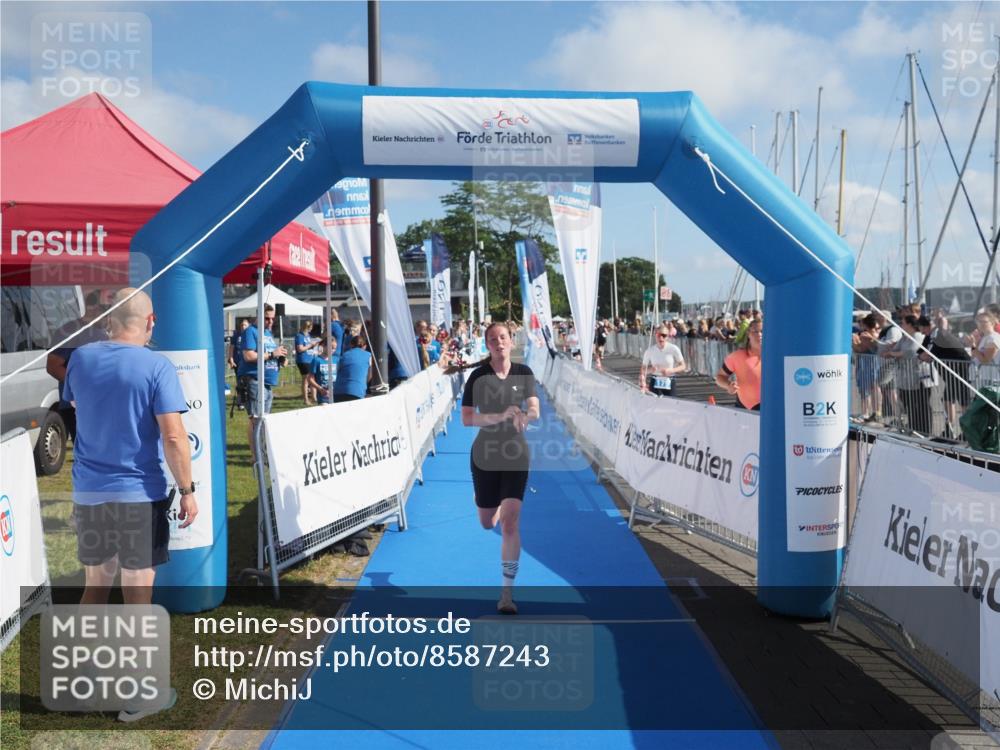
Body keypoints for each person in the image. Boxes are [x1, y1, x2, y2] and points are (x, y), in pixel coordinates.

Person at [454, 322, 539, 615]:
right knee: (488, 522)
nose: (499, 342)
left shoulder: (523, 373)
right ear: (487, 344)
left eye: (503, 337)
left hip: (516, 453)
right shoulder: (478, 377)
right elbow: (466, 419)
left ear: (511, 341)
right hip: (485, 455)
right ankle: (490, 504)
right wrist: (499, 415)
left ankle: (506, 593)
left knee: (511, 524)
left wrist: (526, 416)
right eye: (493, 339)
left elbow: (535, 408)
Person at [46, 290, 109, 442]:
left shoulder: (103, 333)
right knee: (87, 454)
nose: (111, 314)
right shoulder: (69, 331)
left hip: (101, 404)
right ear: (93, 307)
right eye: (107, 309)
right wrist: (83, 388)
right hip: (77, 407)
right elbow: (53, 366)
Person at [237, 304, 288, 456]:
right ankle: (256, 456)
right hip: (254, 379)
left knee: (263, 419)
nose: (270, 322)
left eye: (272, 319)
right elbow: (249, 356)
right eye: (267, 318)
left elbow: (269, 354)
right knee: (256, 419)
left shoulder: (267, 332)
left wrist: (280, 359)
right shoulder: (251, 331)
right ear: (258, 316)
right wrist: (272, 354)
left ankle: (262, 453)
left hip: (266, 382)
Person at [715, 318, 762, 410]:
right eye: (755, 331)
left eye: (762, 331)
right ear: (748, 334)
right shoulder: (737, 356)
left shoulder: (776, 356)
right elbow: (720, 377)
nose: (760, 335)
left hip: (774, 406)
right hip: (747, 408)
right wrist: (728, 385)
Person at [851, 314, 882, 422]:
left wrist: (853, 342)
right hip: (872, 363)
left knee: (866, 389)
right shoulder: (877, 334)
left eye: (861, 322)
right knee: (873, 388)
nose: (859, 324)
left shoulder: (866, 335)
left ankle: (866, 412)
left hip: (867, 364)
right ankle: (876, 412)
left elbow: (860, 349)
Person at [640, 325, 687, 396]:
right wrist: (650, 370)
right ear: (655, 335)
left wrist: (671, 370)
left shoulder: (673, 349)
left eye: (664, 335)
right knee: (654, 405)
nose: (661, 338)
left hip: (669, 380)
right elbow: (643, 370)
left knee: (670, 404)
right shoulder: (649, 351)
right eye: (658, 335)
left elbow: (683, 366)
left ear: (667, 337)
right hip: (655, 380)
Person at [333, 335, 373, 402]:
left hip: (338, 392)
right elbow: (370, 375)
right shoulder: (369, 355)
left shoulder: (344, 355)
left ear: (351, 345)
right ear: (365, 346)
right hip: (357, 392)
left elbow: (337, 371)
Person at [295, 321, 320, 405]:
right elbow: (300, 349)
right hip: (303, 360)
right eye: (310, 327)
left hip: (310, 359)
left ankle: (314, 398)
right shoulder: (299, 336)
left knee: (312, 379)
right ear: (306, 327)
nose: (311, 329)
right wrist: (310, 345)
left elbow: (308, 347)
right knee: (306, 380)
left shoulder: (308, 336)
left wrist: (314, 346)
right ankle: (306, 400)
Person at [307, 339, 339, 405]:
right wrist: (320, 389)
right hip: (323, 396)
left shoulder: (336, 360)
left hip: (336, 395)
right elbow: (310, 378)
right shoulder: (316, 360)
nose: (333, 350)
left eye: (334, 348)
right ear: (324, 346)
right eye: (331, 347)